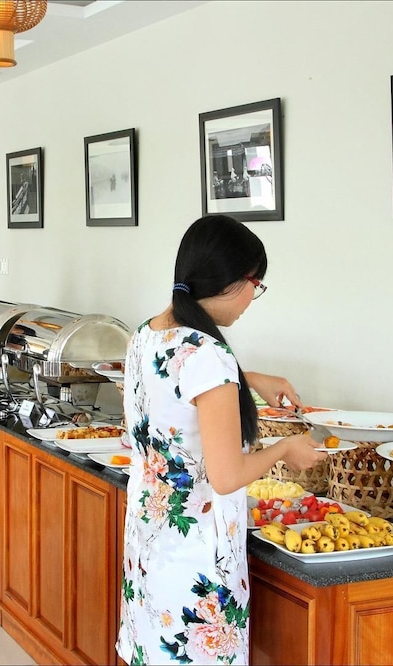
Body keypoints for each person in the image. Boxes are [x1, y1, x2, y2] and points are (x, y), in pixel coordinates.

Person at [116, 215, 326, 665]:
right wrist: (285, 449)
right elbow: (227, 476)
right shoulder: (210, 356)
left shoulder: (146, 334)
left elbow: (175, 382)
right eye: (256, 284)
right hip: (198, 563)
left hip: (151, 547)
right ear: (232, 281)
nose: (253, 298)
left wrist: (247, 380)